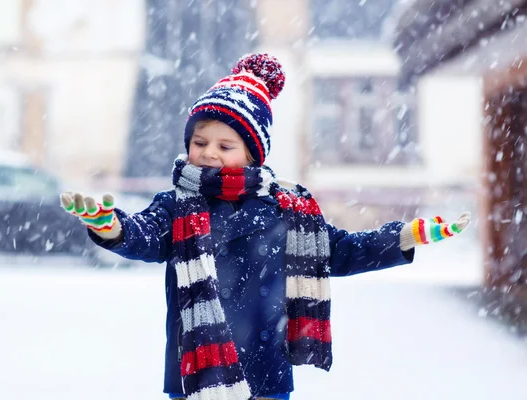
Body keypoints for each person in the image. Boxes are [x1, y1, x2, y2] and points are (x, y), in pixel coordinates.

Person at [60, 53, 470, 400]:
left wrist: (403, 237)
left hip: (265, 369)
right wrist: (111, 225)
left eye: (225, 146)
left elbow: (339, 251)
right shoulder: (176, 206)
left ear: (252, 154)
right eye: (200, 142)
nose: (208, 154)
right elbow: (143, 236)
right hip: (195, 372)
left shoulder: (286, 210)